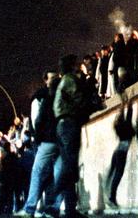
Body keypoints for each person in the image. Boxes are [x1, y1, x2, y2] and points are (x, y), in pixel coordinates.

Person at [16, 71, 61, 218]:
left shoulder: (42, 97)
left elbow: (38, 121)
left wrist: (38, 138)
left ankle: (32, 208)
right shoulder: (61, 94)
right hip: (59, 140)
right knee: (57, 174)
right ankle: (51, 208)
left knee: (39, 172)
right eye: (53, 77)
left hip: (48, 140)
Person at [53, 54, 87, 218]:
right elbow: (79, 100)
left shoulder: (62, 82)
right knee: (69, 166)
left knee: (69, 165)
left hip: (62, 125)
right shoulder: (70, 80)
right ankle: (52, 200)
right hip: (69, 124)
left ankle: (70, 209)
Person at [105, 94, 136, 208]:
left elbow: (125, 116)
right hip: (122, 152)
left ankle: (111, 196)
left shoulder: (119, 127)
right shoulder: (126, 126)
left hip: (117, 151)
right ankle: (112, 197)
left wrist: (124, 104)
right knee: (118, 174)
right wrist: (129, 104)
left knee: (114, 173)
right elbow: (129, 116)